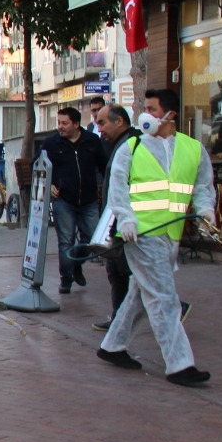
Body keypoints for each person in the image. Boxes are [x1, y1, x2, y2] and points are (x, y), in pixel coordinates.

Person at [97, 88, 215, 386]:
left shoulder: (193, 149)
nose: (144, 114)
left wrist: (206, 213)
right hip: (140, 235)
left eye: (150, 108)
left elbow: (202, 187)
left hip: (171, 235)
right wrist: (125, 218)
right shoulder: (132, 147)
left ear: (170, 114)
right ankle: (180, 365)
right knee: (164, 298)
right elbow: (117, 187)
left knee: (141, 293)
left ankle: (112, 346)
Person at [40, 106, 108, 294]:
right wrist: (49, 183)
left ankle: (76, 262)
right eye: (58, 123)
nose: (60, 127)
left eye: (65, 123)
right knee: (65, 241)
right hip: (64, 200)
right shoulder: (52, 144)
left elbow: (104, 166)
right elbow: (37, 166)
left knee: (93, 238)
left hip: (88, 200)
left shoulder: (92, 141)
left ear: (76, 124)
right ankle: (66, 278)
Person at [92, 103, 139, 332]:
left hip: (128, 223)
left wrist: (124, 219)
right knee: (117, 271)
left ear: (119, 121)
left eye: (102, 122)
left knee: (129, 272)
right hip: (117, 221)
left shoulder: (133, 145)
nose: (99, 129)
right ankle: (119, 319)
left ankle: (175, 308)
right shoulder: (119, 144)